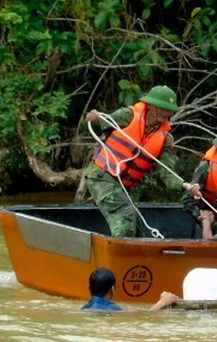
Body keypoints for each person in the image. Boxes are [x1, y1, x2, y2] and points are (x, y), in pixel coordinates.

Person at [84, 85, 199, 237]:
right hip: (101, 177)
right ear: (151, 106)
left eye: (169, 110)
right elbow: (97, 125)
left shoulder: (165, 139)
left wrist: (185, 185)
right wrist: (92, 118)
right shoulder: (127, 115)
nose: (167, 113)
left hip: (123, 187)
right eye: (163, 108)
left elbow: (167, 174)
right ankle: (118, 258)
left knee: (139, 233)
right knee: (126, 216)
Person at [81, 267, 179, 312]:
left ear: (90, 288)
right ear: (112, 289)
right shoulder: (111, 309)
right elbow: (146, 317)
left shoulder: (85, 307)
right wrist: (163, 302)